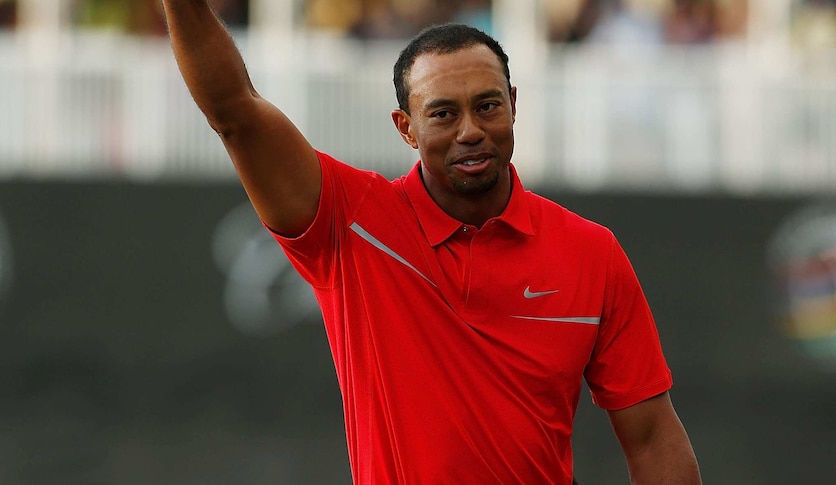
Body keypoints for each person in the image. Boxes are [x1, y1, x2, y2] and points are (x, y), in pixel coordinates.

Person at [161, 1, 702, 483]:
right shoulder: (352, 222)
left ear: (513, 104)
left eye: (488, 105)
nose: (470, 130)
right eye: (443, 113)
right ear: (406, 127)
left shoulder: (591, 252)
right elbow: (234, 111)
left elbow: (652, 435)